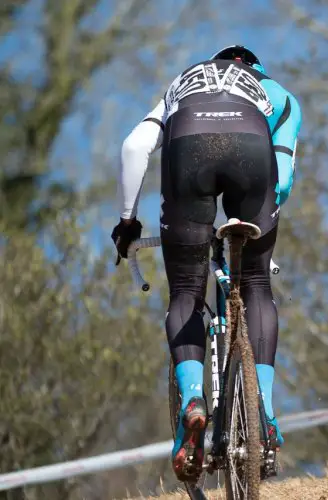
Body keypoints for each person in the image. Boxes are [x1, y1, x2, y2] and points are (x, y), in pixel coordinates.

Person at [110, 45, 302, 482]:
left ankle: (194, 399)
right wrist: (262, 215)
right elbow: (285, 175)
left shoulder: (184, 81)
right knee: (255, 283)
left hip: (188, 147)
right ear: (255, 70)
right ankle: (265, 411)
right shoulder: (275, 93)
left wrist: (127, 221)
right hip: (253, 155)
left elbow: (134, 145)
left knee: (186, 291)